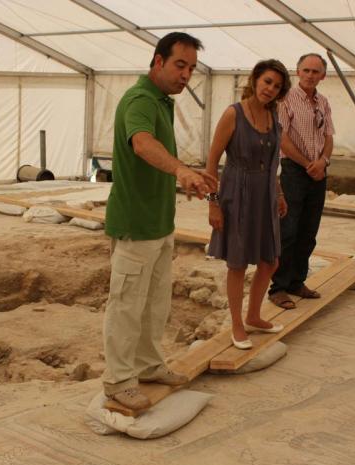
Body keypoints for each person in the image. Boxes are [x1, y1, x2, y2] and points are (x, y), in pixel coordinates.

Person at [102, 32, 217, 410]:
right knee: (126, 305)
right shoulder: (140, 99)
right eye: (179, 65)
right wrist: (180, 169)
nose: (186, 75)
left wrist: (187, 173)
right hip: (136, 224)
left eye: (191, 68)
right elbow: (142, 143)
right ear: (157, 62)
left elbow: (156, 154)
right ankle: (119, 382)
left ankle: (149, 365)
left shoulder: (161, 101)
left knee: (154, 303)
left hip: (159, 223)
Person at [207, 59, 291, 349]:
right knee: (238, 263)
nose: (270, 89)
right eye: (267, 81)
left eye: (277, 86)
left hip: (265, 193)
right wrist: (213, 203)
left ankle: (254, 316)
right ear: (255, 80)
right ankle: (236, 324)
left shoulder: (274, 118)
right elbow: (211, 160)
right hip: (237, 193)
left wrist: (279, 193)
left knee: (271, 260)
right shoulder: (234, 114)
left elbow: (272, 163)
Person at [268, 53, 334, 309]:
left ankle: (297, 281)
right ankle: (279, 287)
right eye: (306, 70)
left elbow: (328, 136)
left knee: (308, 230)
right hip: (295, 171)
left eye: (315, 72)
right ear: (297, 72)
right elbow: (281, 137)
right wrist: (308, 163)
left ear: (323, 76)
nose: (310, 75)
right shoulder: (285, 100)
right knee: (288, 230)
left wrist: (323, 162)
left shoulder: (323, 102)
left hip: (318, 172)